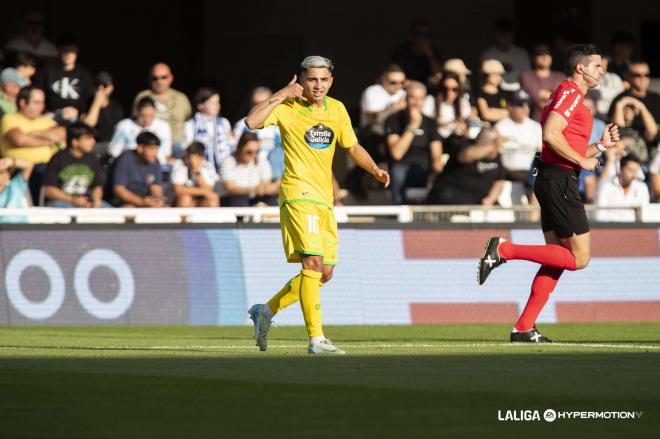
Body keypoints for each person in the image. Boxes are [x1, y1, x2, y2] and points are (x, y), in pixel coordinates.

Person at [244, 55, 389, 354]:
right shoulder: (287, 106)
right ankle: (316, 339)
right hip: (298, 194)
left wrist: (374, 169)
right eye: (312, 79)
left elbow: (351, 146)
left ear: (331, 81)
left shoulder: (336, 109)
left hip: (324, 199)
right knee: (312, 263)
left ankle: (266, 312)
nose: (318, 85)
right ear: (301, 79)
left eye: (323, 80)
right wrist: (281, 94)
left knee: (323, 272)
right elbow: (251, 122)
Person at [477, 44, 620, 343]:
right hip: (560, 182)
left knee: (557, 259)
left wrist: (601, 146)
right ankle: (504, 250)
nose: (602, 71)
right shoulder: (569, 92)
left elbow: (563, 147)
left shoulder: (568, 96)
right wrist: (582, 161)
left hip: (553, 177)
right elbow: (551, 134)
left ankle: (523, 327)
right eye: (597, 66)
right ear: (580, 68)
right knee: (578, 259)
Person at [0, 85, 66, 204]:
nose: (41, 107)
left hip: (52, 167)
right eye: (36, 102)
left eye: (42, 103)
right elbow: (20, 140)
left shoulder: (45, 120)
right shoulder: (10, 118)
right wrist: (49, 139)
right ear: (23, 102)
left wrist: (33, 134)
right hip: (21, 171)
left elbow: (61, 134)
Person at [385, 81, 444, 204]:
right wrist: (413, 125)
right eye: (413, 98)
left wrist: (436, 171)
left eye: (420, 98)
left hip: (423, 166)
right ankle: (399, 210)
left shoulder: (430, 122)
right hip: (401, 164)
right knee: (398, 172)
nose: (416, 102)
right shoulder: (394, 119)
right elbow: (397, 153)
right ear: (406, 98)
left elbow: (437, 155)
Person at [426, 127, 506, 205]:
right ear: (482, 141)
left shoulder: (496, 155)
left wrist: (491, 198)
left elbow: (499, 180)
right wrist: (492, 146)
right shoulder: (463, 144)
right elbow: (466, 156)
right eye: (494, 142)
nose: (498, 147)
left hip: (478, 204)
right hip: (451, 199)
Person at [494, 90, 542, 205]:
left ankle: (533, 220)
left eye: (527, 105)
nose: (525, 108)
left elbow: (540, 151)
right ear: (510, 106)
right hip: (509, 171)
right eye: (520, 105)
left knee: (539, 182)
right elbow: (498, 149)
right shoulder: (500, 126)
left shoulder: (535, 126)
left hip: (531, 171)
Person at [42, 122, 106, 208]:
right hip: (62, 202)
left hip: (87, 202)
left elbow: (97, 187)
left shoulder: (92, 159)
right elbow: (48, 190)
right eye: (88, 138)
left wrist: (96, 201)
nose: (93, 142)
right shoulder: (58, 158)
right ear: (75, 142)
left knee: (115, 215)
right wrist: (72, 200)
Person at [133, 63, 192, 154]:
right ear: (149, 79)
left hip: (177, 145)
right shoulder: (142, 97)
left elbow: (189, 123)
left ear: (171, 78)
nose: (159, 81)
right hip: (150, 145)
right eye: (155, 78)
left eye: (164, 77)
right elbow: (134, 121)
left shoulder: (181, 98)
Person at [35, 34, 95, 122]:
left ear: (76, 51)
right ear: (59, 51)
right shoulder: (48, 70)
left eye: (71, 50)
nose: (68, 54)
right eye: (65, 50)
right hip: (51, 115)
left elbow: (88, 98)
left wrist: (79, 113)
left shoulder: (84, 74)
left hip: (75, 116)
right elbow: (39, 92)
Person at [608, 61, 660, 157]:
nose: (643, 78)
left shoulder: (656, 99)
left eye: (646, 75)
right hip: (625, 151)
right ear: (629, 77)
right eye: (638, 75)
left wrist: (641, 107)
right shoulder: (620, 99)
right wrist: (620, 105)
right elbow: (617, 129)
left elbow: (652, 134)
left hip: (651, 150)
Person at [233, 86, 284, 180]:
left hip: (276, 178)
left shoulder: (280, 125)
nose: (258, 106)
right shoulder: (242, 125)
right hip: (249, 177)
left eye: (263, 103)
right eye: (255, 103)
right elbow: (235, 151)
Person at [182, 87, 235, 171]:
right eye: (212, 103)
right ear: (200, 105)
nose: (216, 106)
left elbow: (231, 144)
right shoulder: (190, 125)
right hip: (202, 169)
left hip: (224, 168)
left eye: (218, 102)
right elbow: (187, 148)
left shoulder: (224, 122)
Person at [218, 132, 277, 206]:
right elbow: (230, 188)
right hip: (232, 199)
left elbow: (266, 183)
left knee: (273, 200)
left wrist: (270, 188)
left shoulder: (262, 161)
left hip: (254, 198)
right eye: (249, 152)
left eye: (257, 151)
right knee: (239, 201)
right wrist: (253, 190)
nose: (254, 155)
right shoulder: (228, 161)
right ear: (240, 148)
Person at [109, 131, 167, 207]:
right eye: (152, 149)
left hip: (145, 200)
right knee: (129, 210)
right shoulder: (125, 159)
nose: (155, 153)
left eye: (156, 149)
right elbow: (119, 190)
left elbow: (156, 187)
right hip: (123, 202)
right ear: (140, 148)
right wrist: (142, 202)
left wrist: (158, 199)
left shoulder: (156, 162)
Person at [108, 97, 172, 165]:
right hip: (130, 165)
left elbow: (167, 154)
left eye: (150, 116)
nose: (147, 120)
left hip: (156, 166)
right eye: (143, 116)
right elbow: (114, 151)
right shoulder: (124, 126)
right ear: (137, 112)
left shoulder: (163, 126)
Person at [80, 71, 125, 155]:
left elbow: (119, 132)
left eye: (104, 85)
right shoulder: (86, 103)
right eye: (97, 85)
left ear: (111, 88)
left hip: (111, 145)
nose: (100, 88)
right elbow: (87, 125)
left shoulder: (117, 107)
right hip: (91, 145)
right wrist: (97, 102)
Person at [480, 18, 530, 92]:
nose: (504, 37)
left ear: (513, 35)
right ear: (495, 35)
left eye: (507, 34)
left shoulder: (521, 54)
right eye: (500, 34)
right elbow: (482, 79)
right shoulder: (488, 55)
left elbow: (528, 76)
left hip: (519, 92)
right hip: (496, 92)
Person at [596, 153, 649, 222]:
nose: (633, 175)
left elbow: (644, 215)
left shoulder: (642, 187)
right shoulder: (606, 185)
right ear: (620, 169)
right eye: (630, 170)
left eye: (635, 171)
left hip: (634, 230)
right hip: (610, 229)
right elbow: (600, 216)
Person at [520, 44, 565, 121]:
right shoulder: (526, 76)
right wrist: (554, 96)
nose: (545, 57)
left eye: (548, 54)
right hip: (534, 122)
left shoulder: (561, 76)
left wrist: (547, 95)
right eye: (540, 54)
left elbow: (565, 100)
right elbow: (537, 99)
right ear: (533, 58)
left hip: (557, 122)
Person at [390, 20, 442, 85]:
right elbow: (394, 74)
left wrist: (430, 55)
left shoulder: (433, 51)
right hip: (406, 87)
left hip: (429, 89)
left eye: (427, 34)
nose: (423, 38)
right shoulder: (401, 51)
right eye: (419, 34)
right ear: (411, 35)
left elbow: (439, 75)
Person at [423, 72, 472, 139]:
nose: (449, 93)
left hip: (455, 140)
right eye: (445, 89)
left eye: (454, 89)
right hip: (436, 140)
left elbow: (467, 130)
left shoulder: (463, 103)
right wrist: (447, 125)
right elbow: (426, 125)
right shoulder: (430, 101)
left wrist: (464, 128)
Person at [171, 141, 219, 207]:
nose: (190, 161)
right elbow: (178, 189)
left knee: (213, 198)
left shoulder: (208, 166)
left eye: (194, 157)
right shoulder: (179, 164)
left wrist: (196, 171)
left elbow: (209, 189)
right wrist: (203, 191)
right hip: (180, 200)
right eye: (188, 157)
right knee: (185, 198)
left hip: (200, 200)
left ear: (202, 157)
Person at [0, 156, 33, 223]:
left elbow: (29, 166)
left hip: (19, 228)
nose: (2, 176)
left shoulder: (16, 185)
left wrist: (11, 161)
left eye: (2, 172)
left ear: (8, 175)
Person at [476, 59, 510, 124]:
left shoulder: (503, 94)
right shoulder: (480, 94)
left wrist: (492, 111)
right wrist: (502, 112)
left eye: (500, 75)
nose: (499, 77)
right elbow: (486, 115)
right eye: (495, 74)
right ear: (486, 75)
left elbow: (508, 111)